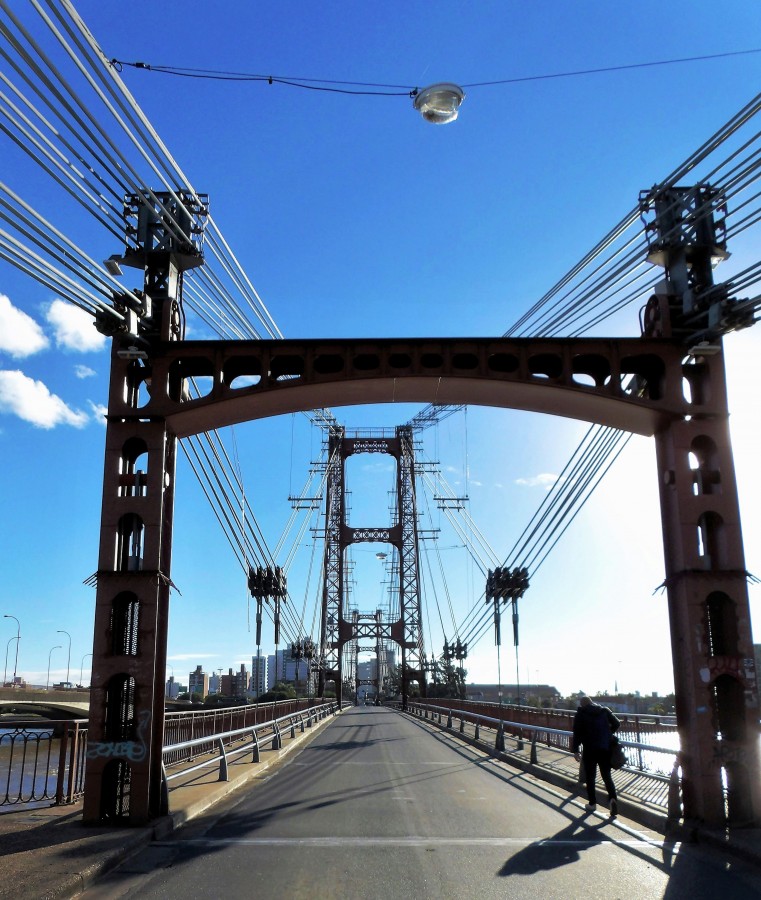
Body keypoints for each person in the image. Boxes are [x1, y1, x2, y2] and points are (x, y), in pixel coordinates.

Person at [572, 694, 620, 817]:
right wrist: (607, 734)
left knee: (590, 777)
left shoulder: (580, 714)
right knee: (606, 776)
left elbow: (577, 733)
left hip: (589, 749)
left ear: (581, 704)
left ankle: (592, 804)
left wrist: (576, 750)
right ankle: (612, 799)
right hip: (605, 748)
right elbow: (616, 723)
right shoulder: (604, 710)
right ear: (592, 702)